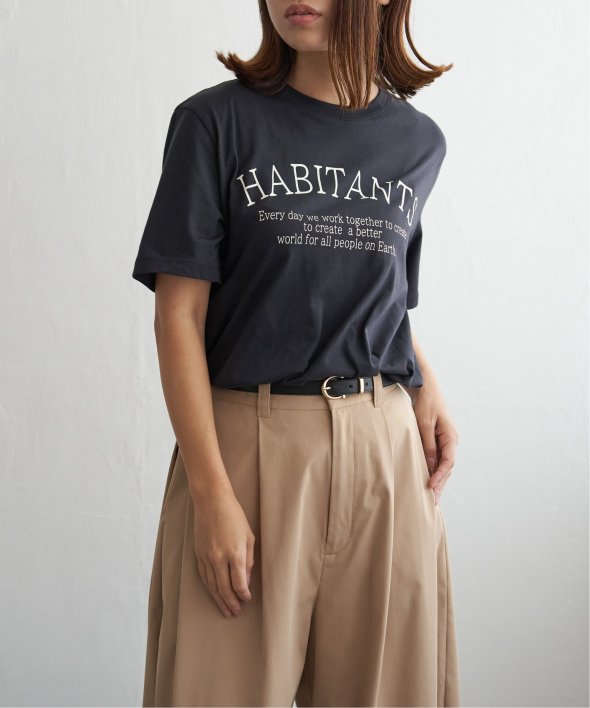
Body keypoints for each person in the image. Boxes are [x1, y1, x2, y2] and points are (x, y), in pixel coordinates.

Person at [131, 0, 461, 705]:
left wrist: (422, 379)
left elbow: (378, 296)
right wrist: (211, 494)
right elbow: (178, 315)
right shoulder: (214, 122)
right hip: (248, 449)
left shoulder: (417, 142)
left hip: (385, 454)